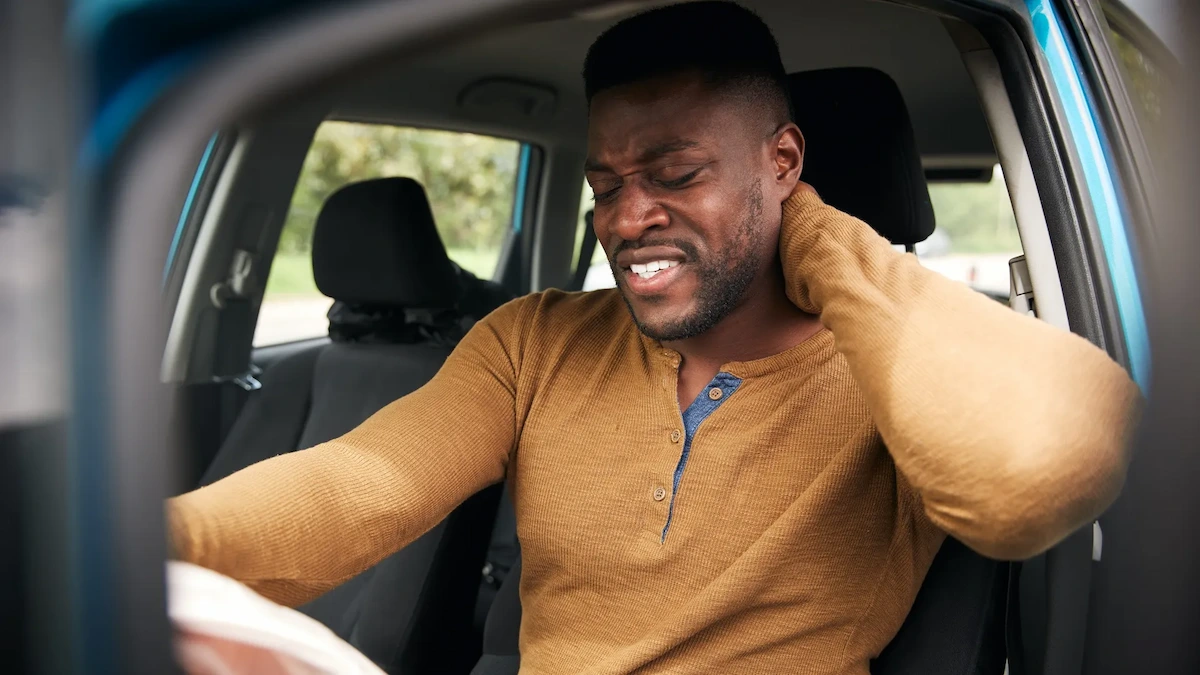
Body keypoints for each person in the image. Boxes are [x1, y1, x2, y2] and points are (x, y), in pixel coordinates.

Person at [167, 2, 1141, 673]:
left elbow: (1036, 473)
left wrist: (819, 238)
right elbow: (357, 486)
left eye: (676, 175)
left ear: (784, 162)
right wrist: (131, 550)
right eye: (605, 186)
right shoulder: (535, 340)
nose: (627, 218)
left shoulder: (912, 371)